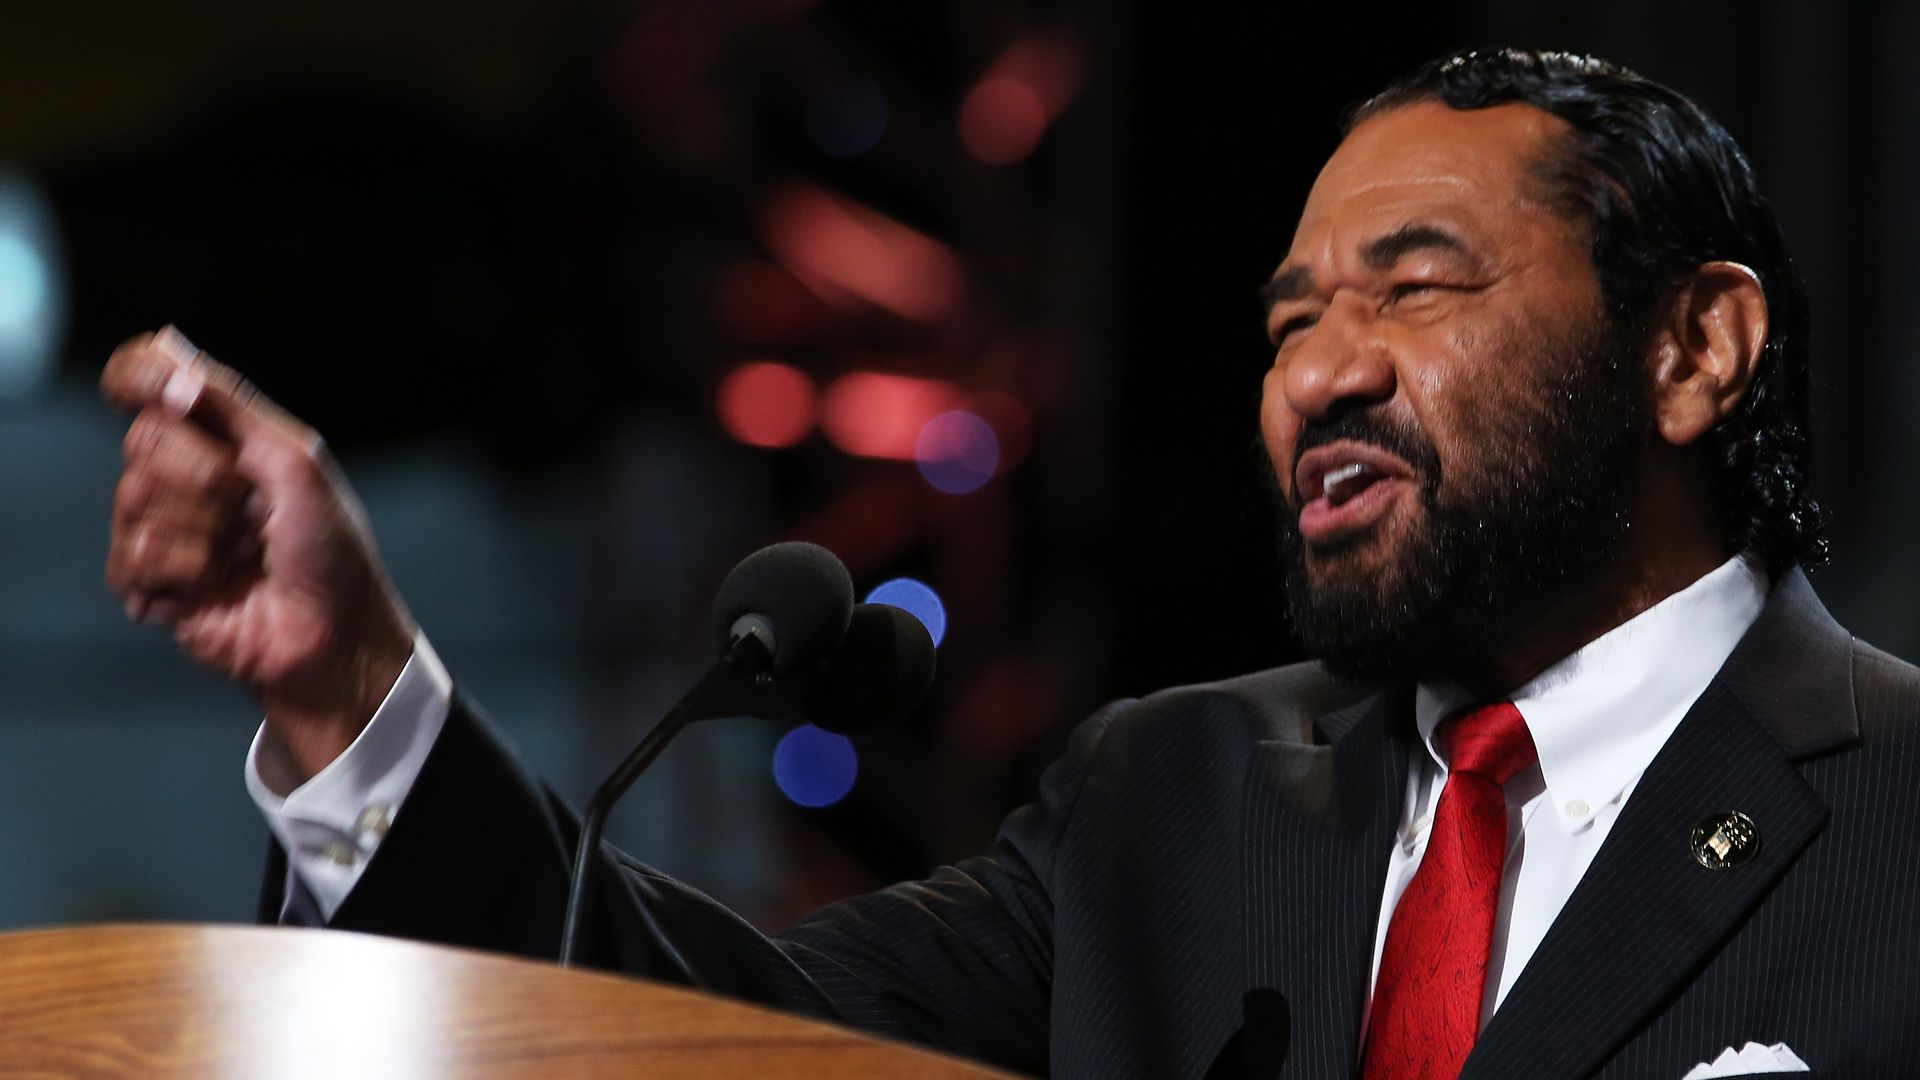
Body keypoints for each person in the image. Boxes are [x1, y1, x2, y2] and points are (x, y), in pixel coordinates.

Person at [99, 48, 1920, 1079]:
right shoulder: (1171, 801)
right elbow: (695, 1040)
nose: (1319, 375)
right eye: (1289, 323)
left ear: (1693, 349)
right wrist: (349, 691)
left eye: (1415, 286)